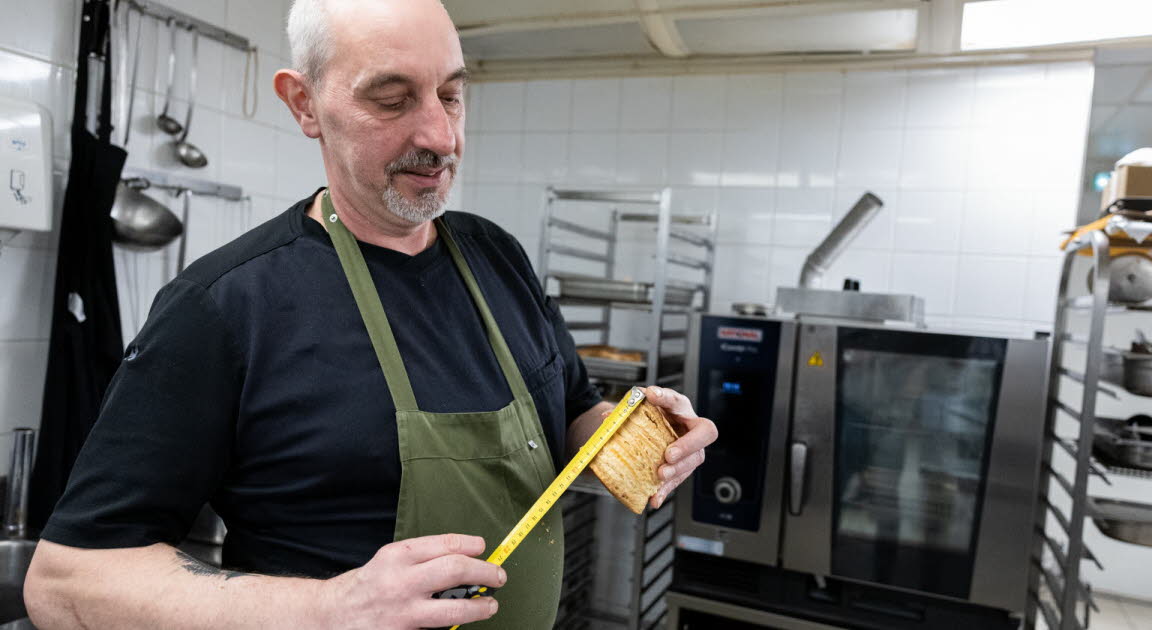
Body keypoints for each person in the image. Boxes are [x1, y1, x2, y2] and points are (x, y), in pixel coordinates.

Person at [23, 0, 717, 628]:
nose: (441, 136)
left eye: (452, 94)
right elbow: (66, 583)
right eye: (393, 99)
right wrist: (326, 609)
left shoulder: (496, 256)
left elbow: (569, 415)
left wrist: (639, 438)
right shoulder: (226, 309)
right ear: (304, 104)